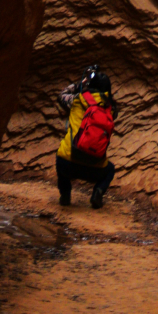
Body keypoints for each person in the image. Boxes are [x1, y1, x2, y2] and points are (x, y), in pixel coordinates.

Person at [55, 62, 119, 209]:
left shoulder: (77, 100)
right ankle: (97, 192)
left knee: (60, 155)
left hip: (68, 162)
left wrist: (80, 84)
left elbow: (61, 96)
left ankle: (65, 195)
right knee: (110, 170)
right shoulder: (111, 109)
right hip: (94, 167)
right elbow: (108, 102)